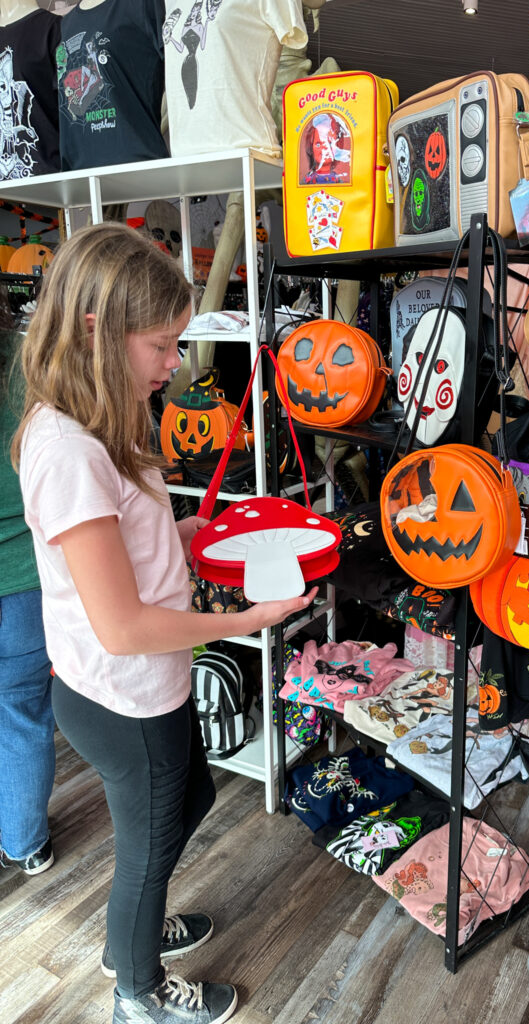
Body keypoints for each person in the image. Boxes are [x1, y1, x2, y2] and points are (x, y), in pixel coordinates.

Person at [12, 223, 317, 1024]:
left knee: (192, 801)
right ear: (96, 332)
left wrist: (220, 535)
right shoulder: (70, 451)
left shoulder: (106, 423)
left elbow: (138, 541)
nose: (176, 364)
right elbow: (121, 625)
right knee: (150, 848)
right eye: (163, 345)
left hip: (143, 682)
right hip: (123, 691)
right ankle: (136, 989)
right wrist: (251, 618)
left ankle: (134, 930)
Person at [0, 319, 55, 879]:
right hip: (23, 568)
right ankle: (26, 843)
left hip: (23, 570)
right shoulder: (25, 358)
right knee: (21, 712)